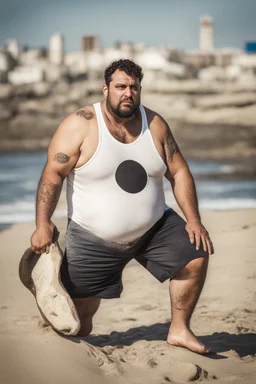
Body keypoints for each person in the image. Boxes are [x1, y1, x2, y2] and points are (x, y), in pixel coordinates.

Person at [30, 59, 214, 354]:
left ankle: (179, 329)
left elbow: (178, 171)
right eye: (120, 87)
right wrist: (43, 223)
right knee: (78, 325)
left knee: (195, 255)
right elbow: (53, 174)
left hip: (154, 228)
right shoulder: (81, 124)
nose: (128, 93)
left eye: (134, 87)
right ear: (106, 89)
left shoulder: (155, 125)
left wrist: (193, 219)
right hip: (92, 238)